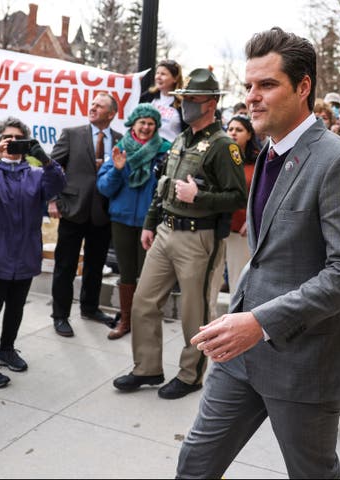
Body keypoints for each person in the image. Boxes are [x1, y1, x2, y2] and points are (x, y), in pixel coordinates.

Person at [176, 28, 340, 478]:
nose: (252, 97)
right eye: (249, 86)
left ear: (303, 87)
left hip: (303, 362)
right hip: (238, 357)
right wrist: (239, 315)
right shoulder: (268, 151)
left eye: (267, 85)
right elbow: (267, 253)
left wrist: (260, 322)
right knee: (194, 464)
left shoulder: (338, 161)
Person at [112, 68, 247, 400]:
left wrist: (199, 197)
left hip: (197, 238)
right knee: (144, 302)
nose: (184, 106)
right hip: (164, 231)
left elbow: (237, 197)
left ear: (211, 103)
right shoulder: (182, 139)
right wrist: (149, 223)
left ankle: (190, 375)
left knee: (194, 312)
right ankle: (146, 368)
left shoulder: (222, 145)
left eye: (192, 100)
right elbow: (163, 187)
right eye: (183, 100)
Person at [0, 117, 66, 388]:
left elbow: (57, 185)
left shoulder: (36, 173)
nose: (12, 143)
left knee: (16, 308)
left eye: (19, 138)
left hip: (25, 251)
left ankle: (6, 350)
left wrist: (47, 161)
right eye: (7, 137)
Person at [48, 93, 122, 337]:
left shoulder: (121, 141)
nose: (92, 108)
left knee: (95, 265)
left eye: (99, 106)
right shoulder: (72, 134)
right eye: (92, 104)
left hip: (103, 213)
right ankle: (60, 315)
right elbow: (52, 168)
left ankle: (90, 308)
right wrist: (52, 199)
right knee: (65, 265)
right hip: (72, 209)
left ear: (111, 114)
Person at [97, 104, 171, 340]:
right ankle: (126, 320)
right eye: (142, 122)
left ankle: (144, 321)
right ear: (133, 124)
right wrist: (118, 170)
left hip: (152, 223)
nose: (146, 127)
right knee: (127, 272)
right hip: (122, 219)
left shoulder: (165, 150)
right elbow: (104, 188)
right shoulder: (120, 150)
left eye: (151, 123)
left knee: (148, 275)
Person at [225, 114, 259, 293]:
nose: (233, 133)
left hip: (241, 229)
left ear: (249, 134)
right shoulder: (220, 156)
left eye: (238, 130)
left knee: (237, 282)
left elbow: (263, 195)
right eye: (230, 129)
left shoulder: (258, 162)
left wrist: (252, 217)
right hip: (216, 226)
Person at [139, 59, 186, 142]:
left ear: (175, 79)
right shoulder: (147, 97)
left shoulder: (183, 103)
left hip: (172, 150)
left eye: (163, 74)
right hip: (147, 149)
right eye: (157, 73)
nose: (158, 77)